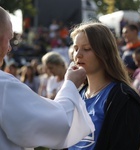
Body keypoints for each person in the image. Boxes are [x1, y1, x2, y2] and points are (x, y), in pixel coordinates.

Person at [0, 6, 95, 150]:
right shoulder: (3, 86)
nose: (9, 48)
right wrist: (70, 85)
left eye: (86, 49)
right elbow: (57, 124)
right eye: (9, 40)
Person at [68, 22, 140, 150]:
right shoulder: (77, 94)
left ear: (105, 52)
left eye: (86, 49)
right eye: (76, 48)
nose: (78, 55)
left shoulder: (123, 98)